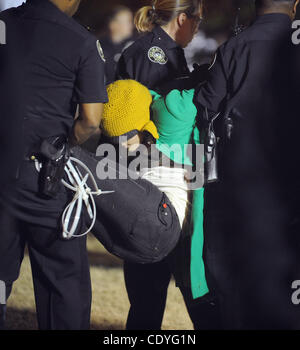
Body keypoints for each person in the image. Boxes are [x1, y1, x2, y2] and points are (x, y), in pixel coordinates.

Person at [0, 0, 107, 330]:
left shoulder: (4, 23)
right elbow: (90, 121)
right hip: (45, 177)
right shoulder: (80, 40)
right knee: (63, 284)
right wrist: (65, 143)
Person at [194, 0, 300, 329]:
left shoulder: (234, 46)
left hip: (239, 176)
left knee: (233, 274)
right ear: (295, 7)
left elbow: (207, 106)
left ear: (256, 7)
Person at [98, 79, 221, 330]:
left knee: (198, 303)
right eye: (115, 140)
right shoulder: (139, 130)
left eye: (125, 137)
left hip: (175, 226)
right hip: (155, 225)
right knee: (153, 305)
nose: (121, 146)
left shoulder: (171, 110)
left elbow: (212, 84)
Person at [116, 0, 204, 94]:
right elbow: (149, 104)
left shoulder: (172, 50)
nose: (197, 29)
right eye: (197, 20)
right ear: (182, 19)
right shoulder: (150, 53)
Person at [100, 6, 135, 85]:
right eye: (128, 22)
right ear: (113, 24)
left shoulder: (134, 46)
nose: (131, 25)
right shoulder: (100, 46)